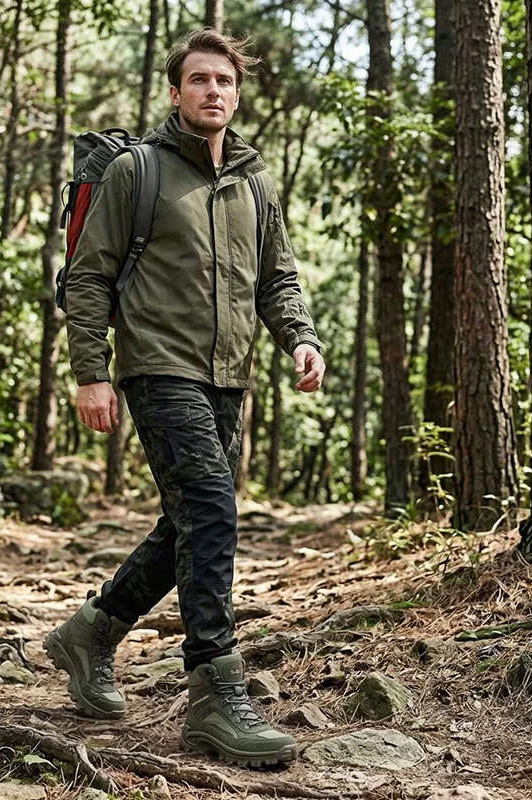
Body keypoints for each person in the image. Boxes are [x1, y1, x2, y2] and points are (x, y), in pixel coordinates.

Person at [44, 28, 325, 768]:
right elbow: (88, 275)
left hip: (229, 374)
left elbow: (277, 278)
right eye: (199, 79)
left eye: (224, 81)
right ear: (176, 93)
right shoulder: (137, 171)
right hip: (158, 367)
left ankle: (92, 633)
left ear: (237, 94)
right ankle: (213, 692)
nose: (212, 91)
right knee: (210, 511)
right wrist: (91, 371)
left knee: (190, 523)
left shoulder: (254, 182)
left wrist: (300, 337)